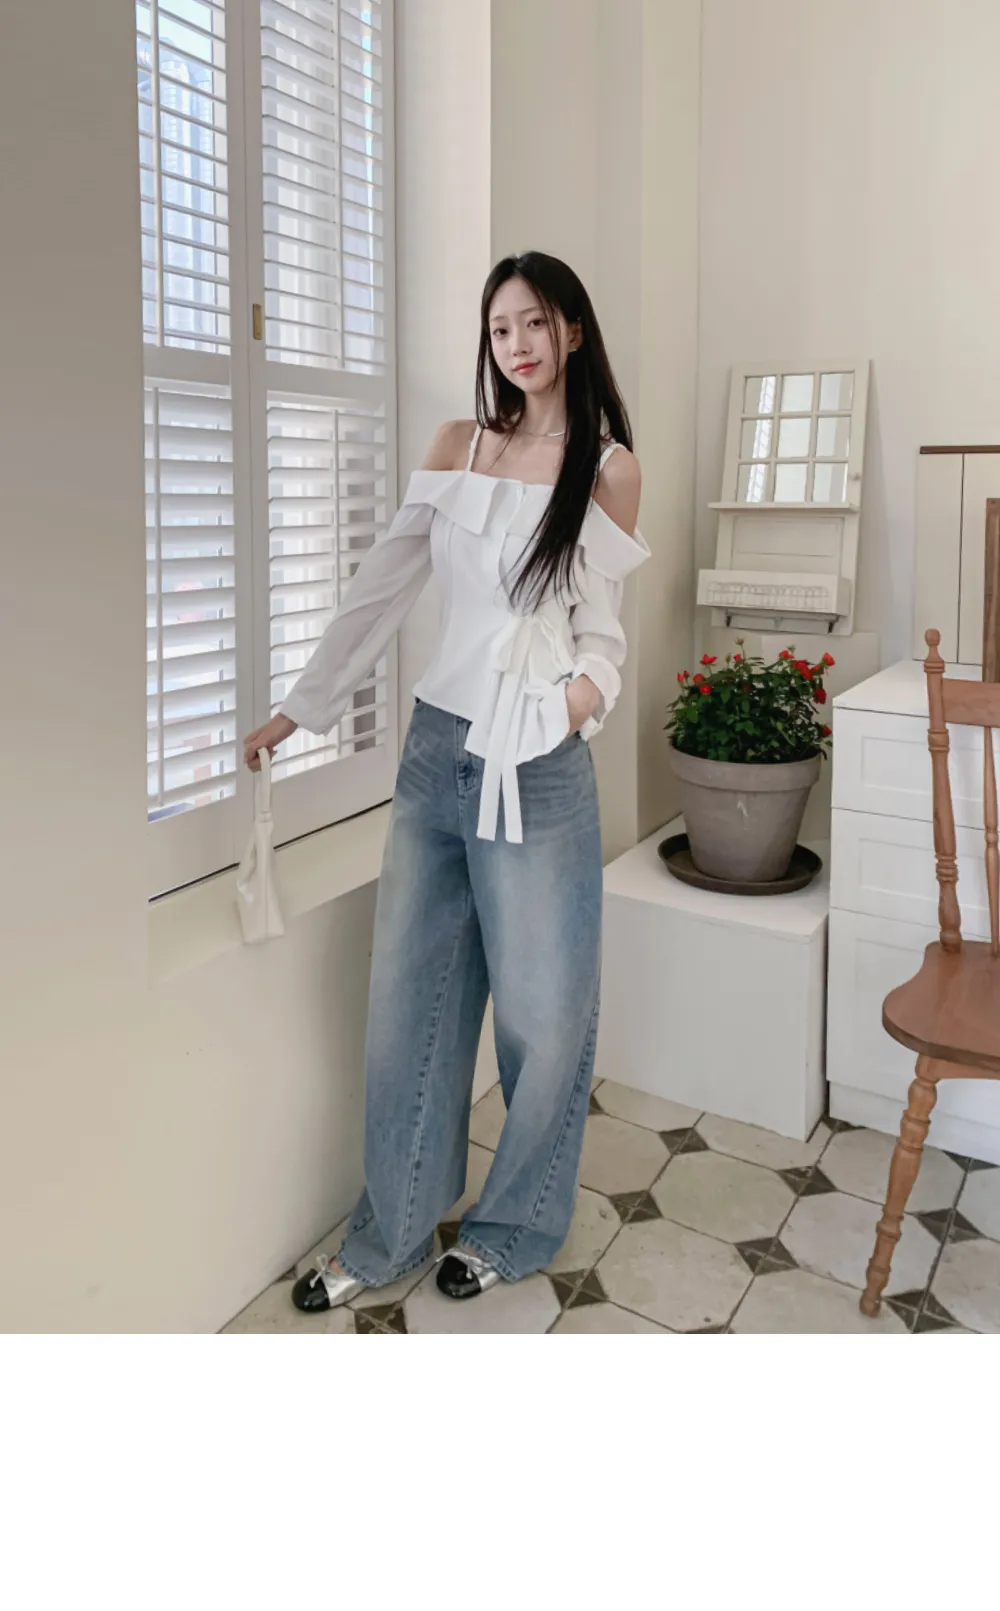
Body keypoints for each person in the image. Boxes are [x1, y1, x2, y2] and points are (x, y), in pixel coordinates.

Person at [243, 250, 649, 1308]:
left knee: (543, 1019)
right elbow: (381, 587)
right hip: (436, 754)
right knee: (408, 1005)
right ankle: (390, 1236)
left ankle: (513, 1226)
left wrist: (570, 706)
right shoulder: (456, 446)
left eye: (534, 323)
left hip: (538, 765)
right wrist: (301, 708)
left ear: (571, 330)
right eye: (500, 328)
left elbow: (603, 633)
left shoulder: (607, 469)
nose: (516, 345)